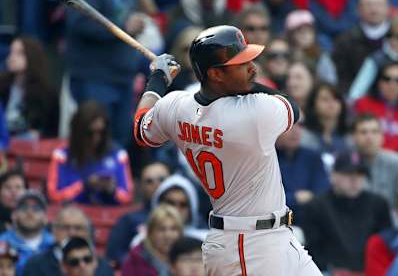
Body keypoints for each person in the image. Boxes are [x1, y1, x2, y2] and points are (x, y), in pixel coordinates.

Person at [133, 25, 321, 275]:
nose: (253, 69)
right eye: (241, 64)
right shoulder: (254, 111)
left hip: (272, 237)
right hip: (247, 245)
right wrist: (249, 84)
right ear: (216, 74)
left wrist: (158, 78)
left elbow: (141, 129)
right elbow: (293, 109)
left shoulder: (175, 106)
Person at [65, 0, 149, 146]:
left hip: (121, 78)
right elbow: (79, 24)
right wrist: (124, 27)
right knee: (96, 141)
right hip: (95, 78)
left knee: (119, 141)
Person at [301, 148, 392, 274]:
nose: (355, 179)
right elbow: (314, 252)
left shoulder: (379, 204)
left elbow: (385, 246)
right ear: (333, 176)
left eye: (360, 174)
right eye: (348, 173)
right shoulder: (315, 207)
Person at [47, 100, 134, 205]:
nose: (96, 138)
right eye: (90, 133)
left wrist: (112, 191)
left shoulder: (118, 155)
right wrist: (85, 186)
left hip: (108, 216)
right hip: (72, 216)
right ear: (79, 131)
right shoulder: (61, 155)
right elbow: (54, 196)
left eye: (101, 132)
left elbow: (128, 197)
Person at [106, 161, 171, 267]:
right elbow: (114, 254)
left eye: (162, 179)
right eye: (149, 181)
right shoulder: (128, 219)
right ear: (141, 187)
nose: (156, 185)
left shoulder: (187, 212)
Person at [23, 205, 113, 276]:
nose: (72, 233)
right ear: (54, 231)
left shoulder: (103, 267)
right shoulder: (35, 265)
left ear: (88, 232)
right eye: (66, 228)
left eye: (78, 228)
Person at [354, 62, 398, 161]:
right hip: (363, 163)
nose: (392, 85)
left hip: (397, 169)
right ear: (379, 81)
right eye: (387, 79)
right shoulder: (362, 105)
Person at [332, 0, 390, 95]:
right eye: (368, 5)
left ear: (388, 7)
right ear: (359, 9)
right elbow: (341, 76)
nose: (374, 9)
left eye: (378, 4)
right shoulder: (345, 40)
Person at [0, 36, 58, 139]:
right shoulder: (2, 84)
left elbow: (49, 132)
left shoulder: (46, 93)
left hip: (29, 146)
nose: (12, 57)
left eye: (19, 53)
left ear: (32, 56)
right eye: (11, 52)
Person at [351, 113, 398, 208]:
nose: (369, 137)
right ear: (353, 137)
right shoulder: (346, 164)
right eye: (363, 132)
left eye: (375, 132)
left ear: (382, 136)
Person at [0, 190, 54, 275]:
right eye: (23, 208)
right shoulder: (2, 243)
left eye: (36, 208)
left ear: (45, 217)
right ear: (14, 215)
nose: (30, 212)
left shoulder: (54, 243)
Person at [122, 205, 183, 275]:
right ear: (150, 233)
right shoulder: (134, 262)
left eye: (173, 229)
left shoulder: (189, 258)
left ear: (180, 232)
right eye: (162, 229)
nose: (168, 235)